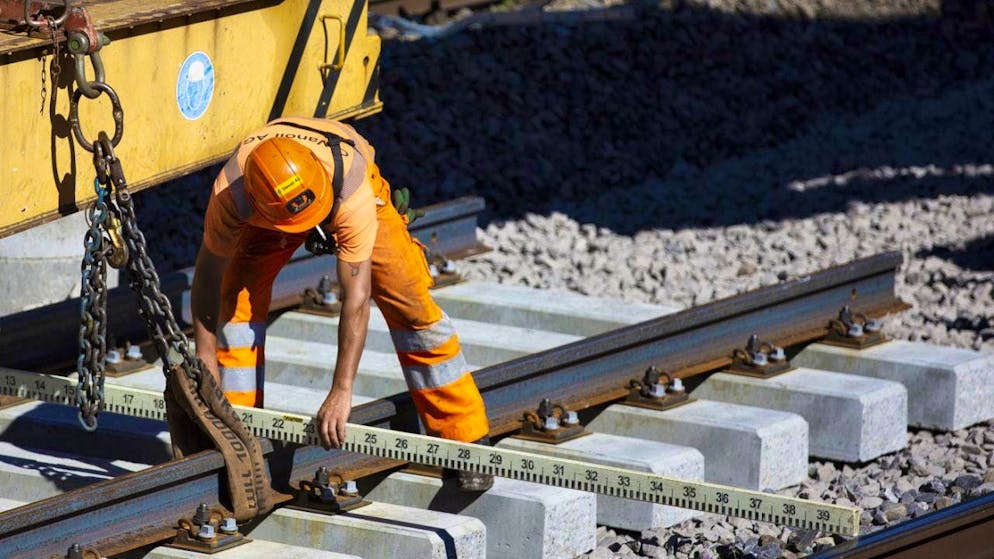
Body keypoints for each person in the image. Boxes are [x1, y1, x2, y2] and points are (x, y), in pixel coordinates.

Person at [190, 116, 493, 491]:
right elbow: (207, 276)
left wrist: (341, 389)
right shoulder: (231, 195)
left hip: (340, 192)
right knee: (235, 305)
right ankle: (237, 441)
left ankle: (463, 435)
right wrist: (204, 358)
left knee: (409, 300)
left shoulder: (351, 191)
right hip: (269, 217)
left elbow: (357, 299)